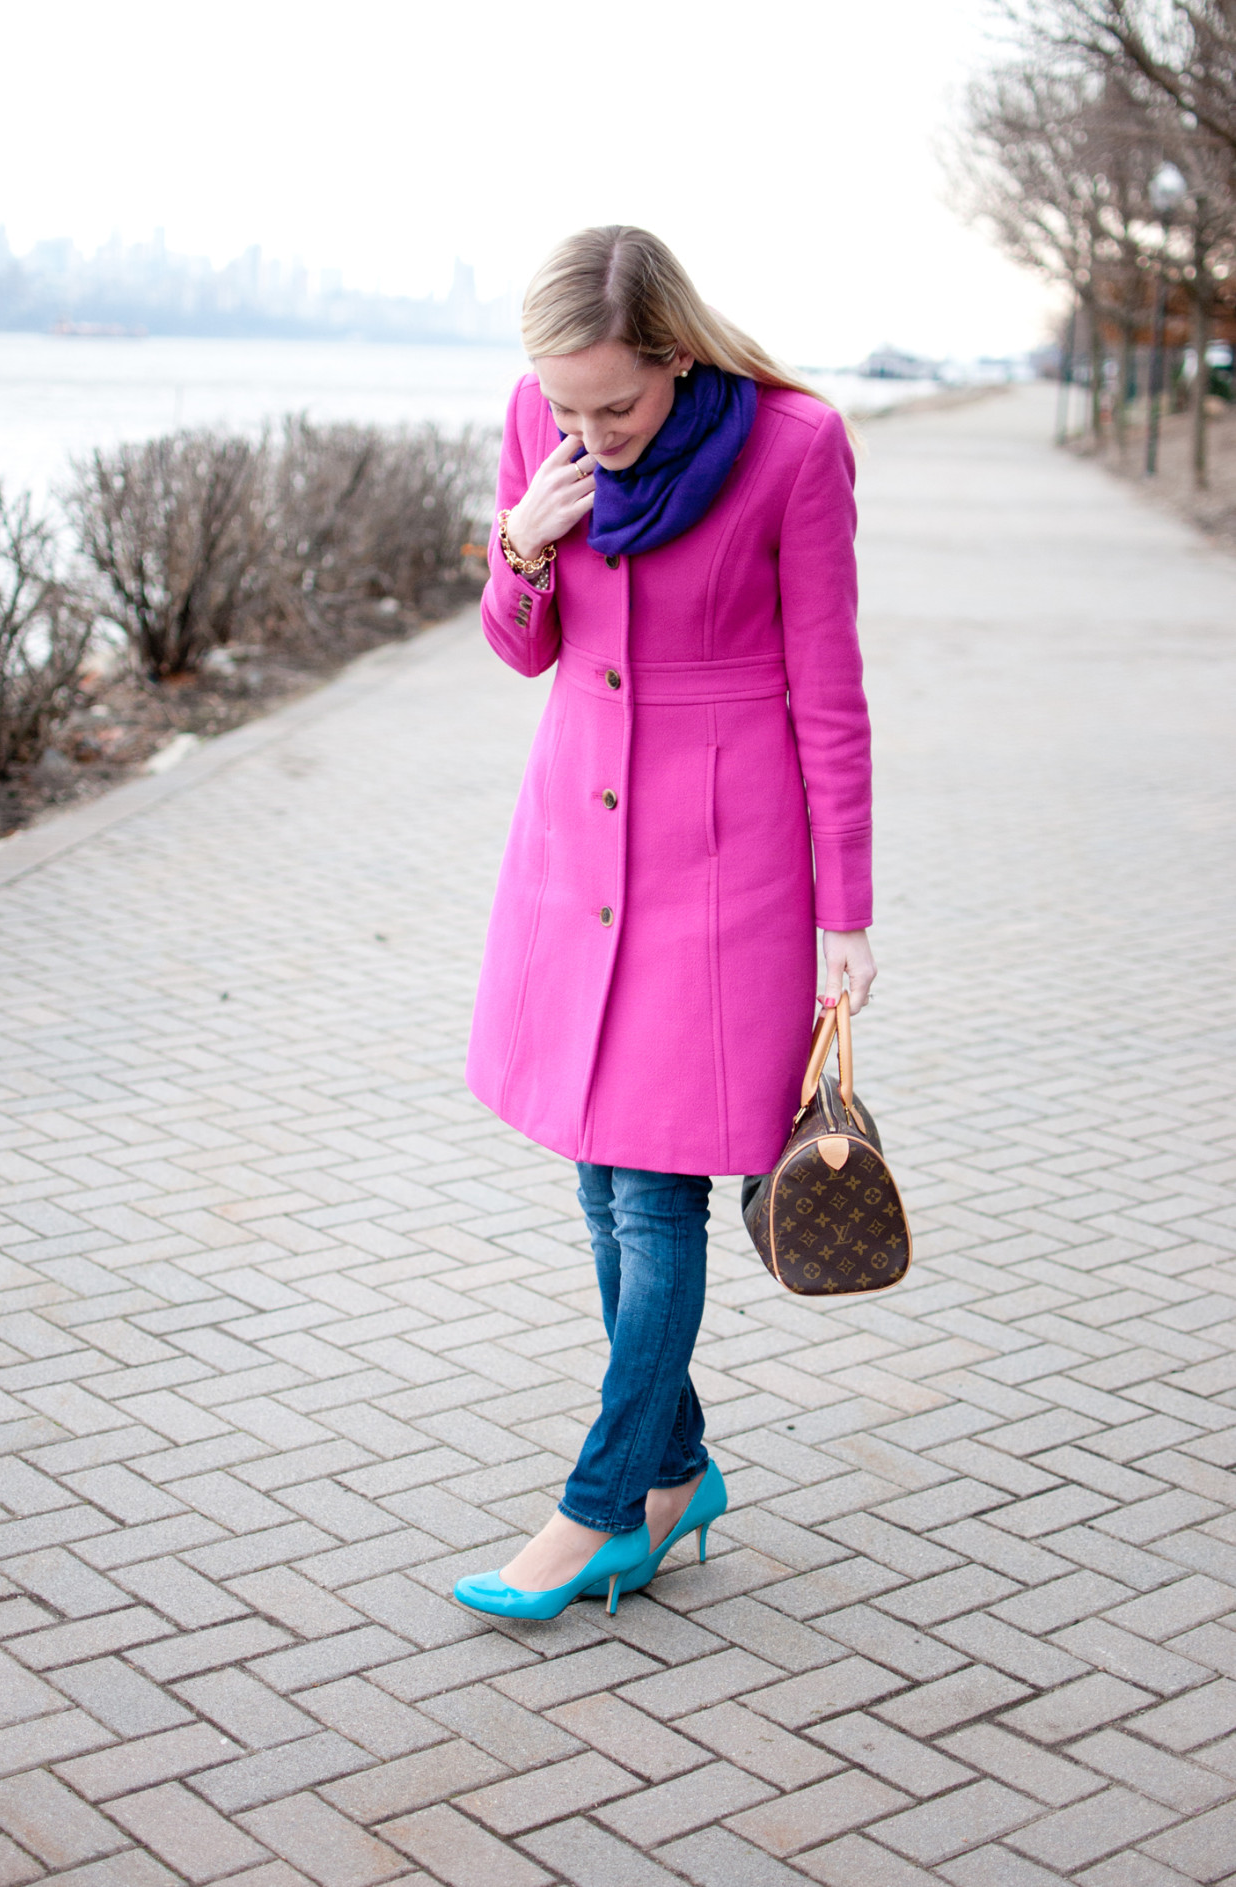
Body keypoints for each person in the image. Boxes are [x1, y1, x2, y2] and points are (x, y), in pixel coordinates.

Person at [454, 226, 875, 1623]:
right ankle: (675, 1468)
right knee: (594, 1173)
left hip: (725, 859)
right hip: (578, 839)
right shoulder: (540, 422)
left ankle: (594, 1513)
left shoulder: (795, 448)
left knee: (652, 1190)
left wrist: (845, 913)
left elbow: (828, 692)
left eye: (613, 407)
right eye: (563, 406)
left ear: (675, 359)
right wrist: (518, 541)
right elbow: (524, 648)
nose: (585, 431)